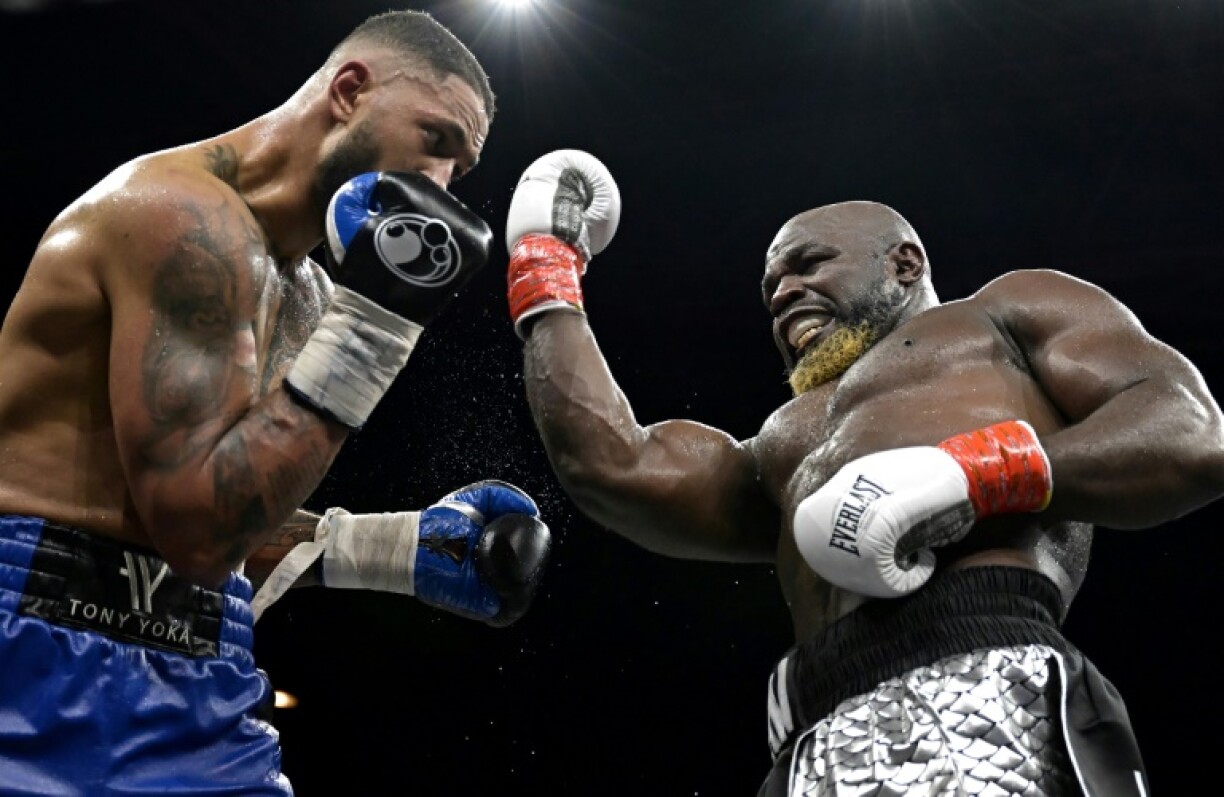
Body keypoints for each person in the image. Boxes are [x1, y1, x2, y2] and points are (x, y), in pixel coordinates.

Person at [501, 149, 1224, 795]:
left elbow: (1190, 431)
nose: (782, 292)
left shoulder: (1004, 314)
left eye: (808, 264)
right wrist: (544, 268)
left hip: (980, 677)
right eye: (771, 287)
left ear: (902, 264)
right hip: (807, 740)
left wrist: (977, 472)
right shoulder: (780, 446)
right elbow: (610, 464)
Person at [0, 10, 552, 796]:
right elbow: (193, 527)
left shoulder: (311, 291)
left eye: (459, 173)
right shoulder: (175, 216)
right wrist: (372, 334)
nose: (438, 190)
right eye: (435, 140)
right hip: (38, 665)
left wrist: (386, 549)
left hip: (207, 674)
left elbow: (221, 521)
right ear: (350, 90)